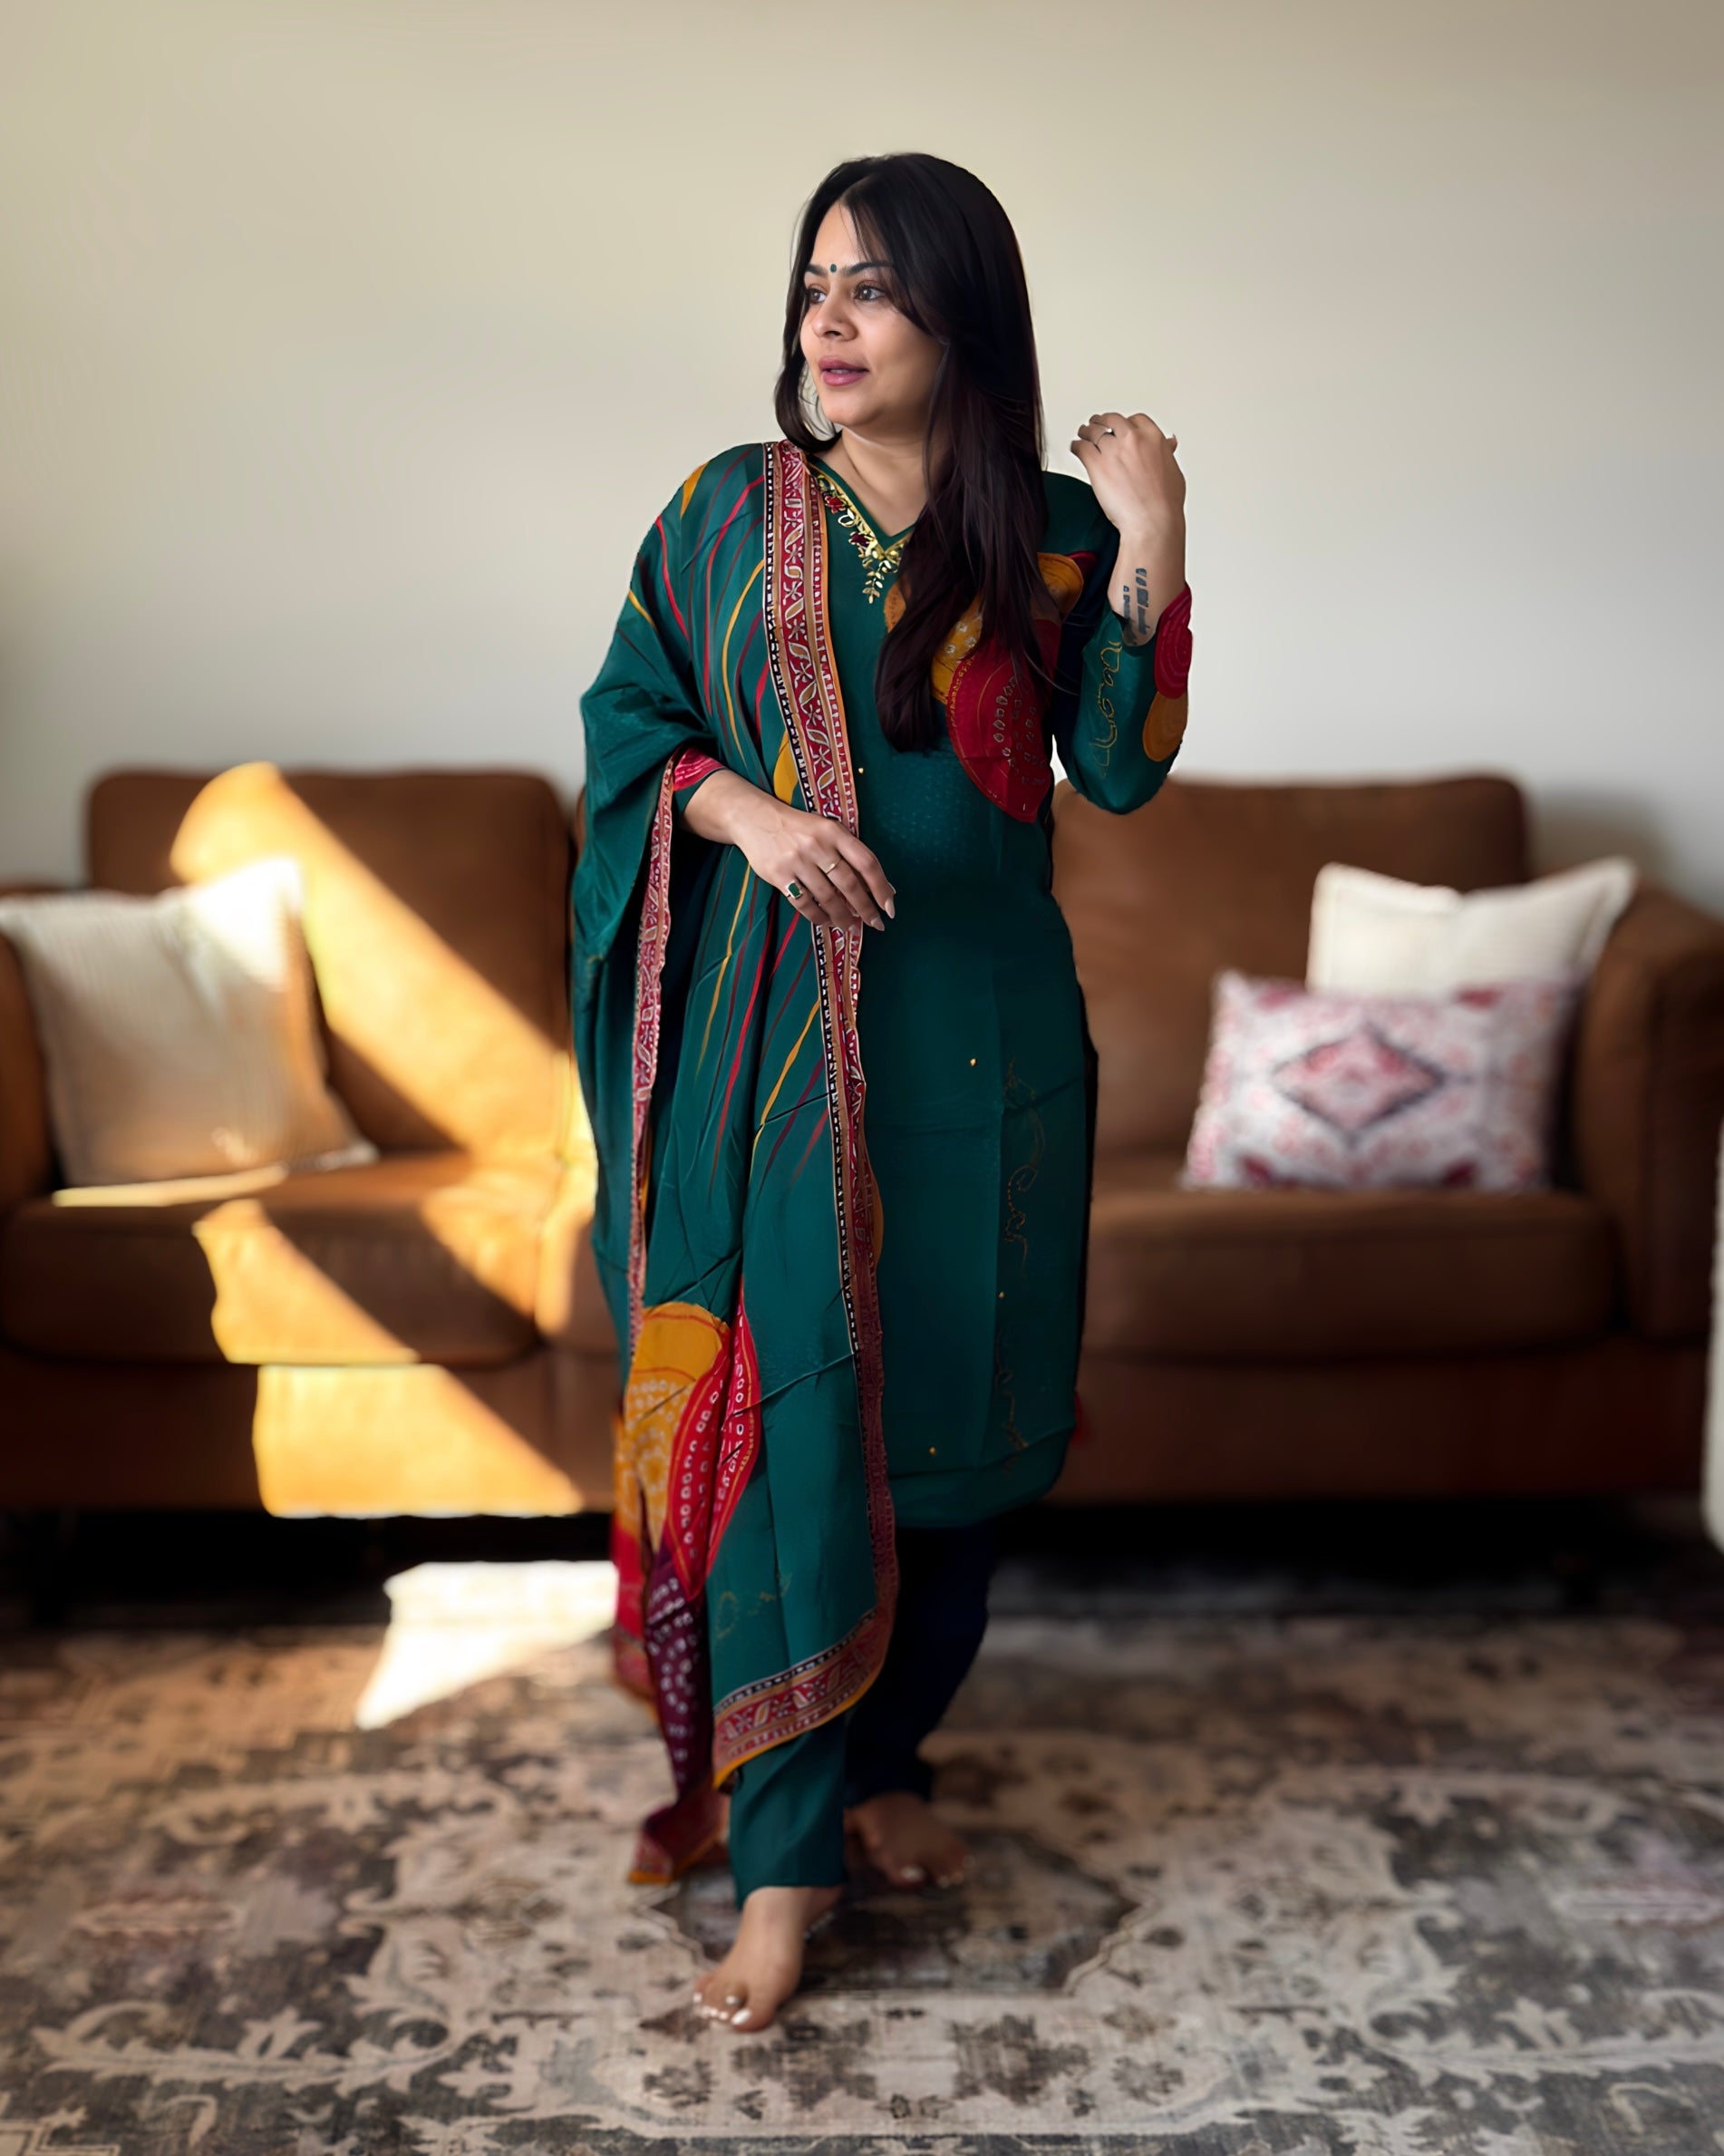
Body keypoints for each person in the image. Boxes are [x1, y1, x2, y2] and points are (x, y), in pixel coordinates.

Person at [573, 151, 1192, 2035]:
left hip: (997, 1055)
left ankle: (891, 1759)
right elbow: (630, 725)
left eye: (874, 289)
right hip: (782, 1065)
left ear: (962, 315)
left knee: (966, 1438)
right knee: (792, 1430)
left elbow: (1119, 762)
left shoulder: (1055, 533)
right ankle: (781, 1867)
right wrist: (750, 816)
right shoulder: (724, 514)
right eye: (814, 286)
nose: (828, 322)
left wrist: (1158, 530)